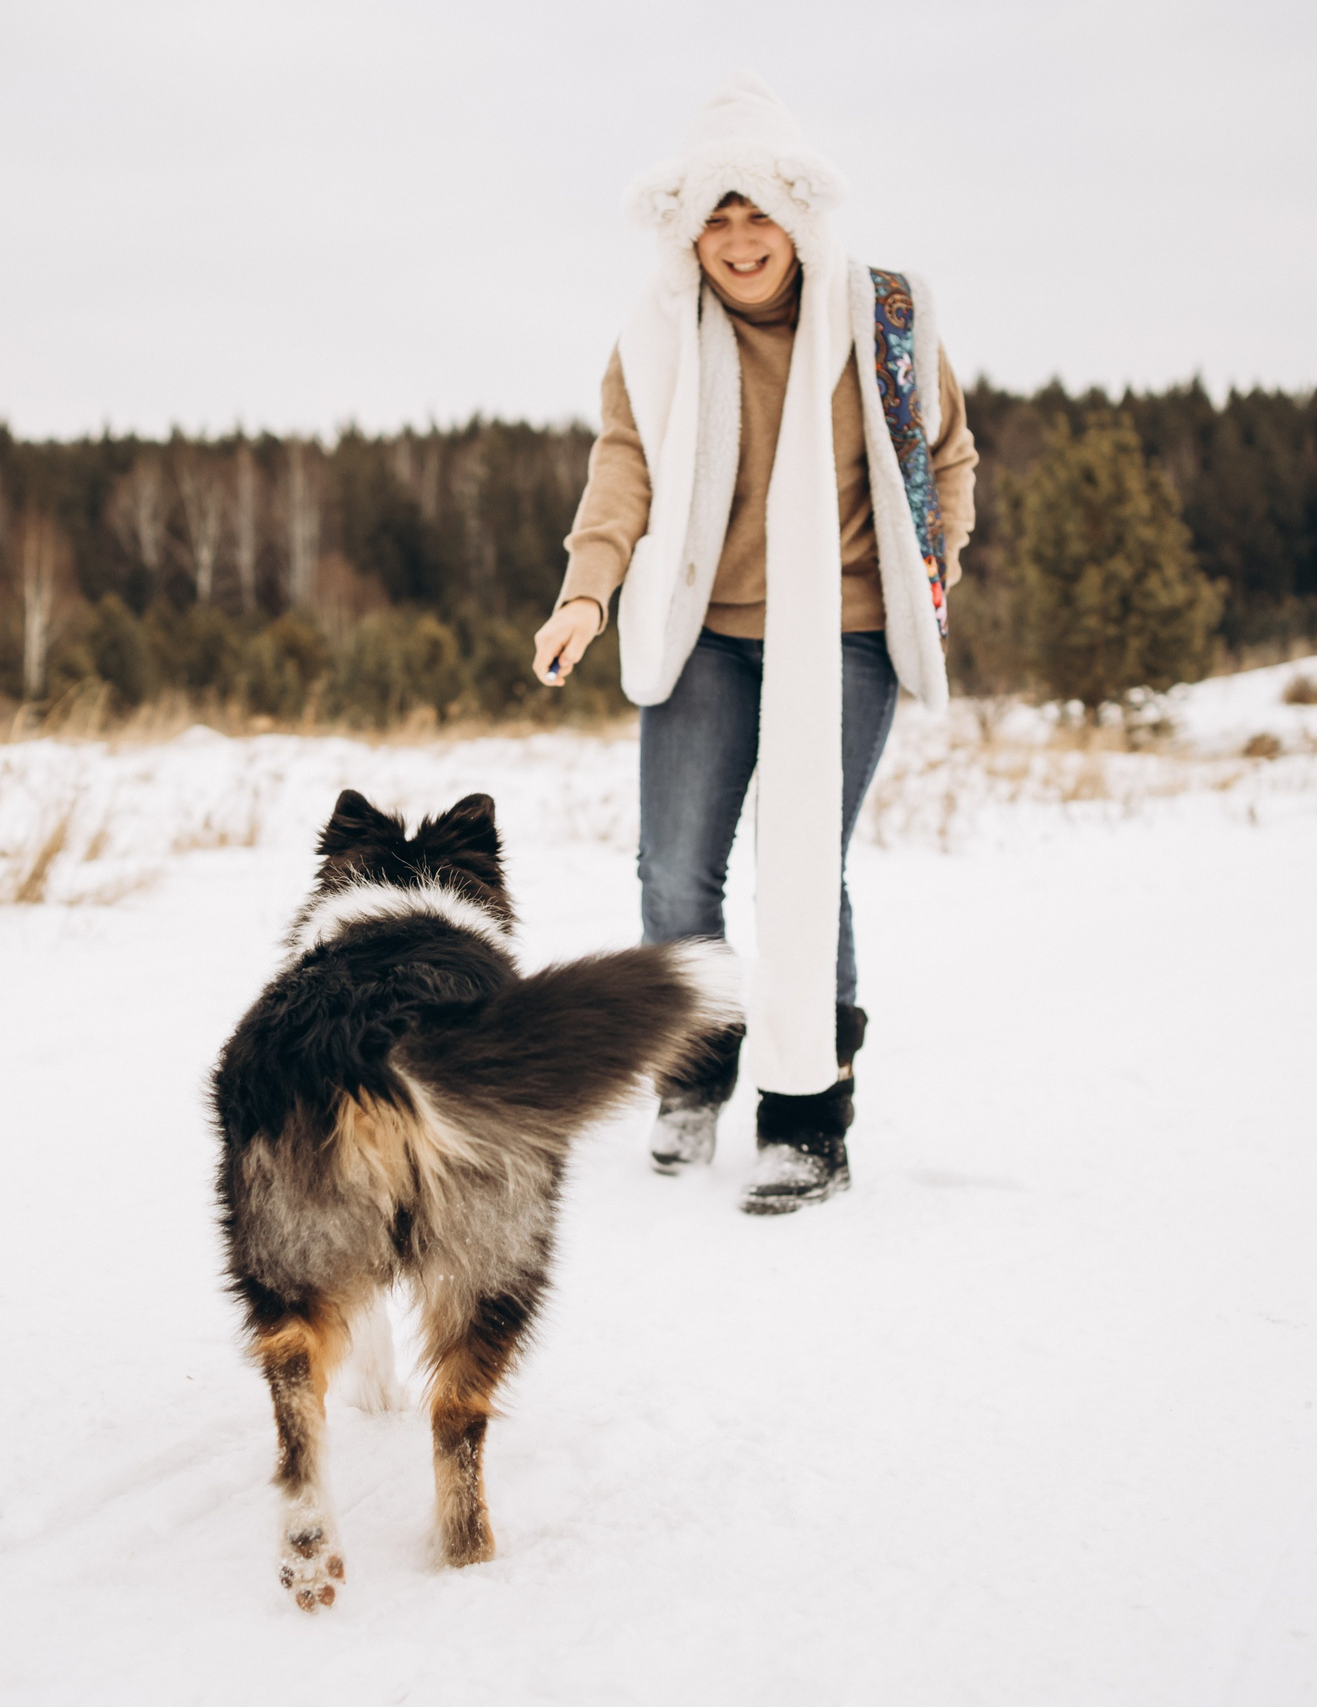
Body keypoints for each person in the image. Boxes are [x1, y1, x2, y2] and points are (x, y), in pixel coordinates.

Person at [530, 72, 979, 1214]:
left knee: (796, 864)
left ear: (798, 215)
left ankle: (806, 1117)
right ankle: (693, 1066)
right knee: (673, 866)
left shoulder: (887, 314)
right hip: (708, 636)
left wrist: (936, 573)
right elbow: (621, 466)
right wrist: (586, 593)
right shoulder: (657, 335)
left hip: (848, 632)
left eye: (756, 214)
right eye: (714, 219)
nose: (737, 241)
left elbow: (948, 458)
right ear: (689, 234)